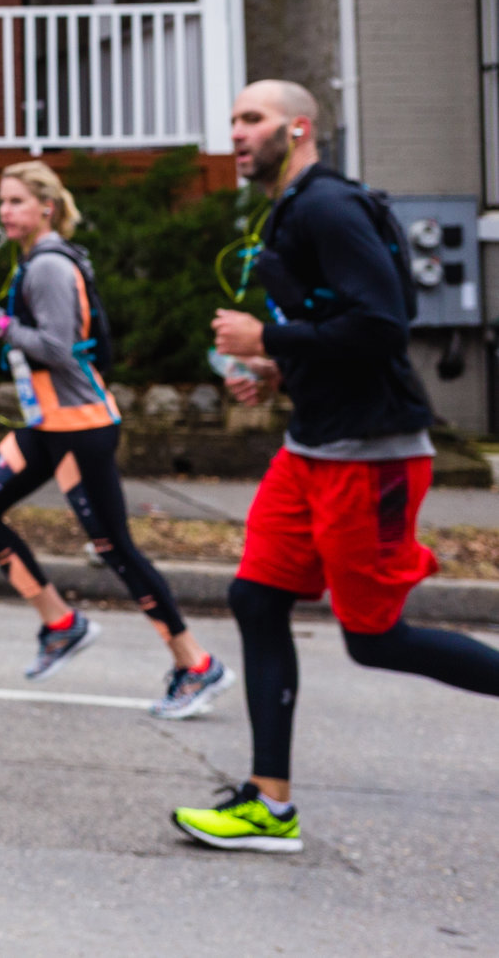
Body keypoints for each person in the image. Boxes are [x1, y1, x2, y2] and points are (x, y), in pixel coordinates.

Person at [174, 81, 499, 853]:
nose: (238, 134)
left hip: (373, 454)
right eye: (233, 122)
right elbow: (336, 323)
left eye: (252, 119)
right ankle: (268, 803)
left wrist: (269, 341)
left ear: (299, 126)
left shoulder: (326, 205)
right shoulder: (291, 209)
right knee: (255, 598)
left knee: (375, 636)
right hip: (313, 445)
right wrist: (281, 371)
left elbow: (385, 325)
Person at [0, 161, 231, 718]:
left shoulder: (50, 268)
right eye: (1, 201)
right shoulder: (35, 262)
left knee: (115, 549)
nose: (4, 211)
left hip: (80, 430)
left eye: (15, 201)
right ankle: (60, 623)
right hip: (47, 428)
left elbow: (59, 348)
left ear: (46, 208)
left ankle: (196, 663)